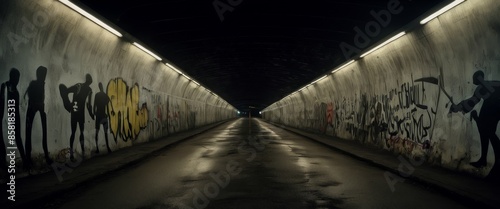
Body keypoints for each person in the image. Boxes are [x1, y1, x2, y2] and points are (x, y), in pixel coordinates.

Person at [450, 70, 500, 168]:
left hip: (494, 106)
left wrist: (459, 107)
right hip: (494, 106)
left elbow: (472, 102)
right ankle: (485, 158)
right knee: (485, 129)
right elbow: (472, 102)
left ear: (478, 78)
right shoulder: (488, 86)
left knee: (486, 129)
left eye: (475, 78)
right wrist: (460, 107)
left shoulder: (482, 88)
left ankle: (487, 158)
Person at [59, 74, 94, 160]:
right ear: (90, 81)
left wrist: (68, 103)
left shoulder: (79, 86)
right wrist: (91, 114)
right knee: (80, 132)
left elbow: (67, 90)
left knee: (73, 133)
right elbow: (88, 104)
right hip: (80, 112)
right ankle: (82, 153)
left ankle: (72, 154)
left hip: (74, 111)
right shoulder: (89, 90)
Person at [1, 69, 28, 169]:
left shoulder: (13, 89)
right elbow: (2, 101)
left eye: (18, 78)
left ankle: (24, 160)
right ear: (12, 77)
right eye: (16, 78)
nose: (18, 80)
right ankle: (4, 162)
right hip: (8, 116)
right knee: (10, 139)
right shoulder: (6, 87)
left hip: (13, 116)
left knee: (16, 138)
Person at [25, 66, 52, 165]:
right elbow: (32, 98)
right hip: (33, 108)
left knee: (42, 132)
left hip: (38, 108)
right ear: (39, 74)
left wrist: (41, 108)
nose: (44, 76)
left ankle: (45, 155)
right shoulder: (36, 84)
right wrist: (38, 106)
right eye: (43, 74)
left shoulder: (40, 84)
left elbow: (40, 98)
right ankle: (28, 157)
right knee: (29, 133)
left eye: (44, 74)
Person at [93, 82, 114, 154]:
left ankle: (97, 148)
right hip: (103, 115)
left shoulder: (97, 95)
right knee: (105, 132)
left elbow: (94, 105)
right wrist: (111, 112)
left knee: (97, 132)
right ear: (102, 87)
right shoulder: (105, 95)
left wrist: (94, 112)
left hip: (99, 115)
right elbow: (108, 103)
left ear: (99, 87)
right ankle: (108, 147)